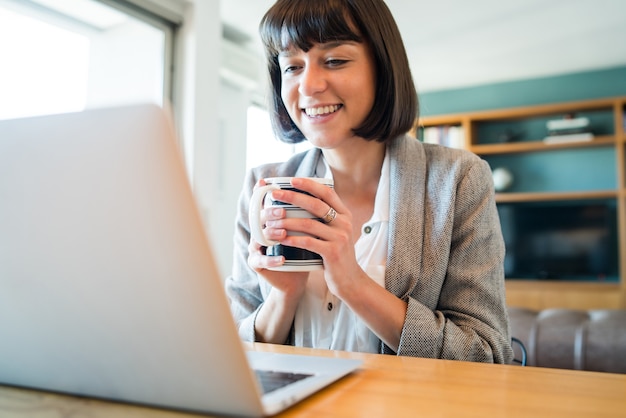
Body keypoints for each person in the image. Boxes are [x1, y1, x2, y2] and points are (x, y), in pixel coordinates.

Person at [225, 0, 513, 364]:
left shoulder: (457, 181)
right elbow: (231, 352)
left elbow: (487, 355)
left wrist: (353, 284)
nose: (309, 85)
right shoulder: (263, 188)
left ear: (383, 68)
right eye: (293, 66)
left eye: (335, 61)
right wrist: (283, 298)